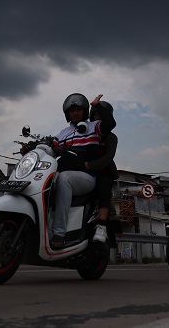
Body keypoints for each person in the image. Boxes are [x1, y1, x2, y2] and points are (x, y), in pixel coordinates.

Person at [49, 93, 103, 249]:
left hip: (87, 178)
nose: (74, 113)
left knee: (63, 178)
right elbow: (51, 150)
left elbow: (110, 124)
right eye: (71, 110)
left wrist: (97, 106)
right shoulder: (63, 133)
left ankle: (59, 232)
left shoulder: (94, 127)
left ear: (85, 111)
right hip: (65, 175)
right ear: (67, 113)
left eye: (78, 109)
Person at [85, 100, 118, 243]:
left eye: (101, 115)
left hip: (103, 171)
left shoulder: (111, 137)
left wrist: (89, 166)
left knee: (104, 185)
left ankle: (102, 225)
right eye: (95, 115)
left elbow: (108, 158)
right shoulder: (86, 132)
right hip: (85, 171)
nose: (97, 117)